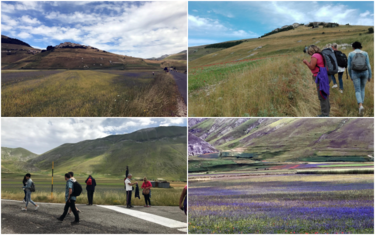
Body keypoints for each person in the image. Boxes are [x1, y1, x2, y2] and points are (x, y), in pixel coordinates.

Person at [303, 45, 331, 117]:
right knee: (325, 94)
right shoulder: (320, 54)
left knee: (322, 96)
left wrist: (306, 62)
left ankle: (325, 114)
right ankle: (327, 111)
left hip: (320, 76)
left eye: (309, 52)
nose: (309, 54)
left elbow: (312, 67)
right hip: (325, 75)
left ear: (311, 51)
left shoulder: (315, 56)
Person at [347, 41, 372, 116]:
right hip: (365, 72)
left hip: (355, 73)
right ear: (360, 47)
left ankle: (360, 105)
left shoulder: (351, 54)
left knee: (357, 90)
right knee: (362, 89)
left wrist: (351, 75)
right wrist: (370, 76)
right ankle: (362, 105)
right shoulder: (365, 53)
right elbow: (368, 65)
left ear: (353, 47)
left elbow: (349, 67)